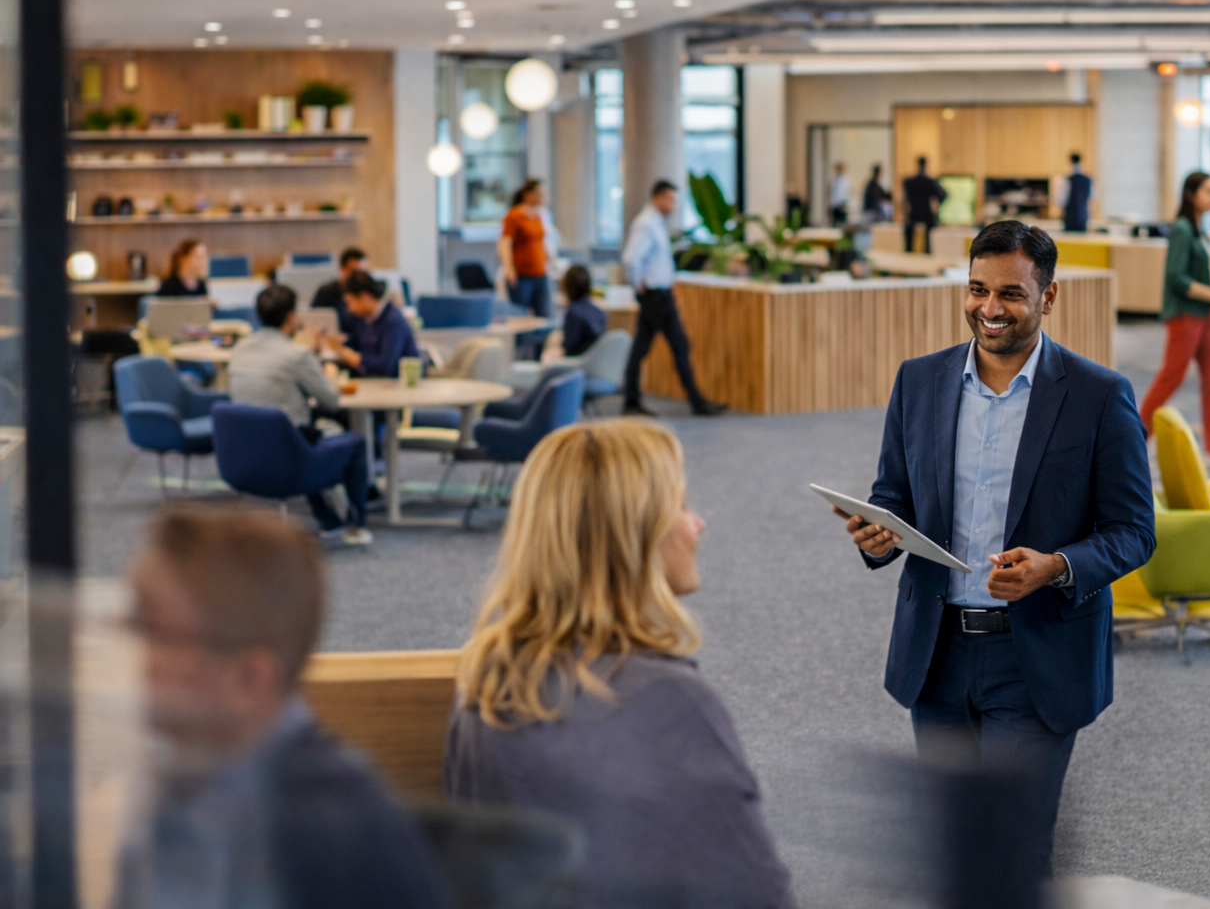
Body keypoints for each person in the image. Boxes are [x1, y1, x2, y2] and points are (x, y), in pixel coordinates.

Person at [838, 219, 1155, 883]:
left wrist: (1058, 567)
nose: (989, 308)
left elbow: (1132, 530)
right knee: (952, 846)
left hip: (1035, 656)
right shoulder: (919, 382)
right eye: (978, 288)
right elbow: (893, 491)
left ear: (1050, 297)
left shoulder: (1098, 397)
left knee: (1016, 854)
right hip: (939, 653)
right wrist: (879, 533)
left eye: (1011, 293)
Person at [444, 419, 793, 909]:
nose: (698, 523)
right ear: (637, 534)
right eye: (683, 505)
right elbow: (756, 893)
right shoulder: (668, 699)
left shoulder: (488, 677)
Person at [116, 509, 450, 909]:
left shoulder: (335, 826)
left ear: (250, 680)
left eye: (159, 636)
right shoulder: (178, 784)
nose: (138, 658)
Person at [229, 284, 372, 546]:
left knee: (304, 432)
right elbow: (331, 401)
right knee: (351, 442)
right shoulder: (296, 355)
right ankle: (358, 524)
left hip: (243, 456)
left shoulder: (239, 349)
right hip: (288, 459)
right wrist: (327, 370)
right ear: (292, 318)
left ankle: (328, 518)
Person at [1138, 172, 1210, 464]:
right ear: (1191, 194)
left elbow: (1198, 270)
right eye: (1208, 191)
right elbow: (1177, 278)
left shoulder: (1200, 230)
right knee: (1170, 378)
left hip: (1206, 315)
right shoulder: (1181, 228)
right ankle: (1135, 439)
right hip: (1185, 314)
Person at [620, 180, 726, 417]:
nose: (674, 205)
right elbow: (631, 259)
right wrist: (637, 285)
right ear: (658, 198)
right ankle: (695, 402)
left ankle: (633, 400)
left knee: (646, 347)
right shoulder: (646, 224)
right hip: (655, 295)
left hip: (659, 294)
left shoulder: (655, 222)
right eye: (671, 200)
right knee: (676, 345)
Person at [324, 272, 420, 378]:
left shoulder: (393, 321)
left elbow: (385, 366)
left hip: (395, 387)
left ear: (365, 297)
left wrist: (355, 359)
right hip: (374, 385)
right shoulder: (365, 318)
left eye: (350, 302)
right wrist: (339, 344)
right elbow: (357, 342)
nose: (349, 308)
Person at [498, 179, 553, 319]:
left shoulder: (542, 215)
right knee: (520, 316)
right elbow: (504, 244)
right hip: (521, 276)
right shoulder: (515, 216)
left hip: (540, 273)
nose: (544, 197)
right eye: (540, 194)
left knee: (545, 315)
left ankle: (539, 342)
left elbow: (543, 242)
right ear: (528, 195)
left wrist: (552, 262)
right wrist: (509, 269)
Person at [310, 247, 369, 330]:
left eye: (364, 273)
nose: (360, 277)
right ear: (342, 269)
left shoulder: (366, 295)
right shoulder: (326, 292)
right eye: (355, 272)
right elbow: (313, 321)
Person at [901, 156, 947, 253]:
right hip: (927, 214)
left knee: (908, 234)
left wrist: (905, 213)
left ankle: (908, 252)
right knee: (929, 237)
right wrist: (936, 207)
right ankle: (928, 252)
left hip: (914, 213)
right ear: (926, 165)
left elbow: (904, 200)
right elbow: (943, 194)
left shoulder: (910, 182)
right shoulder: (930, 182)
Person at [560, 264, 607, 357]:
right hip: (595, 362)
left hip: (576, 364)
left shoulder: (572, 312)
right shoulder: (600, 312)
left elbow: (569, 347)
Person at [1062, 152, 1093, 234]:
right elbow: (1091, 198)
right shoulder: (1088, 179)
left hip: (1070, 216)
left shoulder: (1067, 179)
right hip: (1083, 215)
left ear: (1070, 161)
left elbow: (1061, 200)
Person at [829, 160, 851, 226]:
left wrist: (844, 204)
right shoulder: (835, 180)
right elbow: (833, 193)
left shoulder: (845, 180)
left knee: (842, 223)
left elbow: (845, 194)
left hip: (842, 204)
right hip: (835, 205)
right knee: (835, 223)